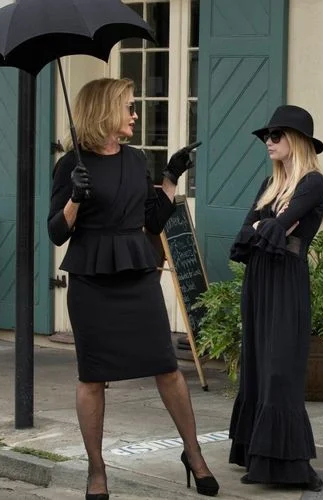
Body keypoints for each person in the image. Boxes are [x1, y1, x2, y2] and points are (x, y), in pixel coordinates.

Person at [47, 78, 218, 499]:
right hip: (92, 282)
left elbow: (153, 221)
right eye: (129, 107)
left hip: (136, 274)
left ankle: (194, 454)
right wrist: (74, 199)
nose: (135, 115)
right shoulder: (71, 164)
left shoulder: (135, 159)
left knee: (167, 367)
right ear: (106, 111)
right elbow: (55, 233)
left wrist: (171, 176)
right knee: (92, 378)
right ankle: (96, 470)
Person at [228, 105, 323, 492]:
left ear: (297, 141)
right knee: (257, 362)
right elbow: (247, 232)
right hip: (259, 280)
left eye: (276, 135)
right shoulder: (271, 184)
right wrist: (265, 226)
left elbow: (273, 228)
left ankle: (289, 466)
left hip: (286, 281)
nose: (269, 142)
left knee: (281, 369)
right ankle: (258, 454)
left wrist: (266, 226)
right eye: (267, 136)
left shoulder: (312, 183)